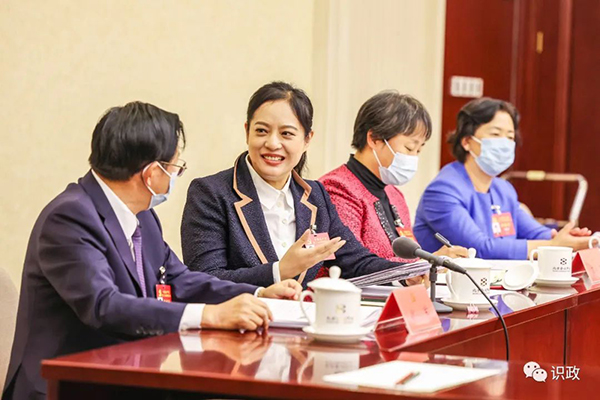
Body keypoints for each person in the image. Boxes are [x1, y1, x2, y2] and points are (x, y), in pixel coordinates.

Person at [3, 102, 301, 400]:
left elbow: (179, 279)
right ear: (151, 173)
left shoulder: (143, 215)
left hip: (124, 378)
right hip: (64, 388)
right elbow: (105, 306)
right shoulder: (70, 217)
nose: (174, 176)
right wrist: (210, 315)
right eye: (175, 168)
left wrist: (257, 294)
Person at [181, 82, 423, 288]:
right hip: (241, 324)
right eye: (262, 131)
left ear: (307, 140)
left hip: (303, 322)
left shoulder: (315, 195)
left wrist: (407, 273)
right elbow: (205, 280)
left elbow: (354, 261)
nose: (272, 143)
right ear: (247, 132)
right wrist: (279, 272)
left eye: (286, 134)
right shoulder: (211, 193)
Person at [413, 97, 590, 260]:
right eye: (496, 134)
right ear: (466, 141)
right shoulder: (442, 190)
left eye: (510, 137)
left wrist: (568, 238)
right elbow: (479, 248)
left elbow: (536, 233)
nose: (504, 143)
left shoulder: (503, 189)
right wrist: (552, 246)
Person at [319, 91, 468, 262]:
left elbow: (411, 257)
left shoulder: (394, 195)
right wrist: (429, 261)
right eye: (409, 148)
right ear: (374, 139)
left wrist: (429, 263)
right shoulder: (337, 188)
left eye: (419, 150)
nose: (414, 157)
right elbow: (353, 263)